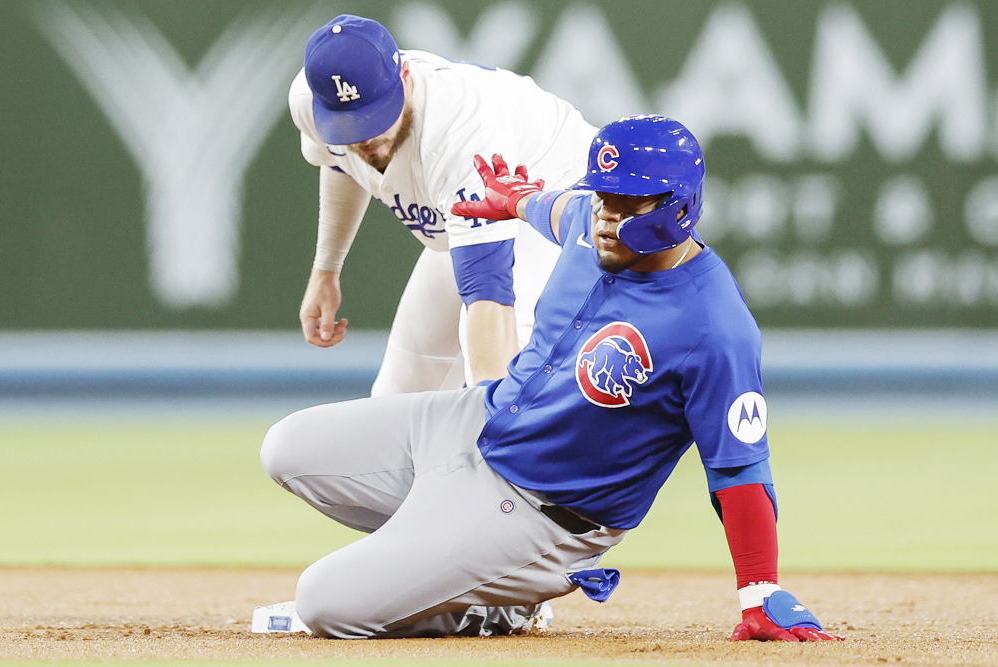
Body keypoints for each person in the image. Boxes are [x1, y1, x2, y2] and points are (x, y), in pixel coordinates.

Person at [260, 115, 845, 642]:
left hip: (541, 511)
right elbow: (556, 208)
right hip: (474, 423)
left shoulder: (715, 328)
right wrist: (513, 200)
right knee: (285, 448)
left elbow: (741, 469)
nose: (608, 217)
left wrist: (759, 593)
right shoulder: (589, 223)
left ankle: (498, 604)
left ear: (679, 206)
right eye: (603, 198)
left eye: (629, 204)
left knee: (323, 604)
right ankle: (455, 567)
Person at [288, 14, 597, 393]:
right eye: (350, 124)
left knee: (499, 371)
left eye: (373, 115)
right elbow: (340, 164)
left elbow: (489, 290)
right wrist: (326, 269)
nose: (364, 135)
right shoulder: (311, 103)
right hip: (465, 217)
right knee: (395, 398)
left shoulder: (461, 131)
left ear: (405, 78)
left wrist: (492, 421)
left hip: (555, 205)